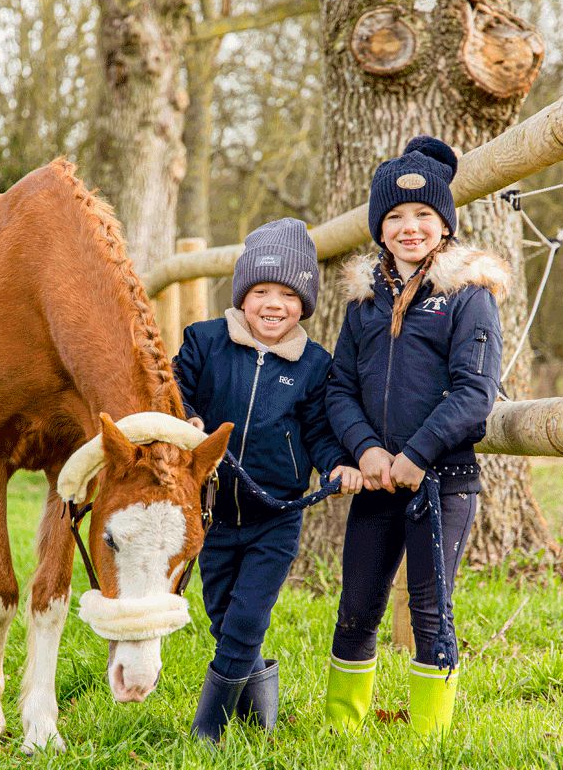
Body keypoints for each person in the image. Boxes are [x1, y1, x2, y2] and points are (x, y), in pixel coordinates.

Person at [324, 136, 509, 736]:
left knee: (431, 609)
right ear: (380, 228)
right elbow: (339, 389)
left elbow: (473, 393)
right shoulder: (362, 304)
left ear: (445, 224)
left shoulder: (467, 298)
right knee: (357, 609)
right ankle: (344, 728)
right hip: (377, 481)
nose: (410, 228)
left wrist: (416, 454)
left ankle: (428, 737)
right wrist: (368, 450)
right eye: (396, 217)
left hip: (441, 479)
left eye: (424, 215)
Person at [173, 218, 362, 742]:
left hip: (275, 516)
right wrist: (186, 417)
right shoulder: (205, 341)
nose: (272, 304)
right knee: (222, 616)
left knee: (247, 618)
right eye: (260, 291)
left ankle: (207, 730)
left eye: (287, 293)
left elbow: (321, 431)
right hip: (211, 512)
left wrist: (338, 464)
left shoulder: (314, 365)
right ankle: (261, 717)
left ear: (304, 303)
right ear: (241, 296)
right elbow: (171, 387)